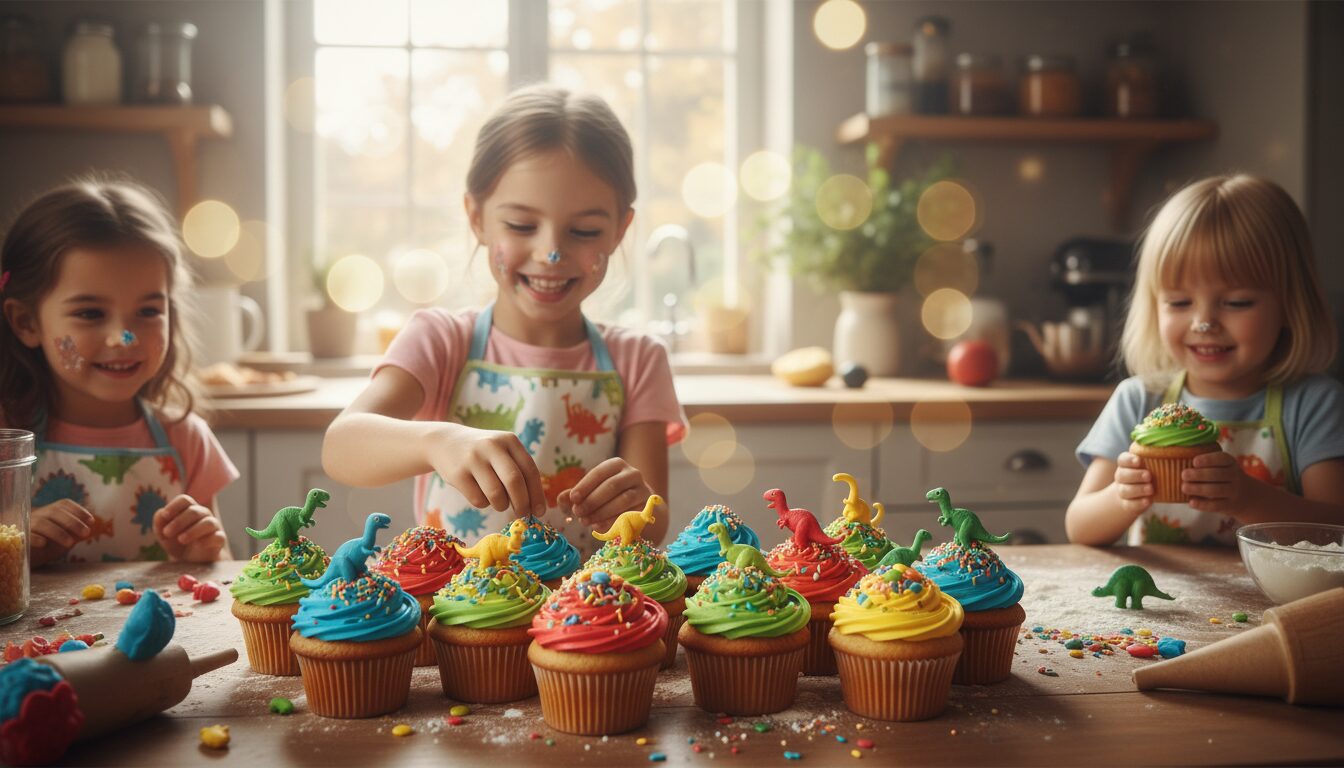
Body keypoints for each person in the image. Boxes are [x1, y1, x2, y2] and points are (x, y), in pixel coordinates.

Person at [323, 84, 685, 553]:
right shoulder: (439, 341)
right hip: (454, 617)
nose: (550, 252)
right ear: (476, 217)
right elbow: (341, 447)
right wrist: (437, 442)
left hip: (591, 619)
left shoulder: (638, 359)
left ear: (619, 231)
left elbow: (653, 523)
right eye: (521, 226)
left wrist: (637, 505)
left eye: (584, 231)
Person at [1068, 175, 1344, 546]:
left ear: (1291, 305)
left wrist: (1249, 499)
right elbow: (1079, 528)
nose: (1204, 322)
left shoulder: (1314, 404)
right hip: (1161, 602)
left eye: (1237, 302)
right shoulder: (1139, 400)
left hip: (1269, 602)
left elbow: (1336, 532)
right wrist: (1121, 497)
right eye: (1180, 302)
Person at [0, 179, 237, 565]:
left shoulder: (186, 439)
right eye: (90, 313)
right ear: (26, 322)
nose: (123, 339)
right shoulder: (6, 438)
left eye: (148, 312)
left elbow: (222, 571)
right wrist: (16, 549)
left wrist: (201, 553)